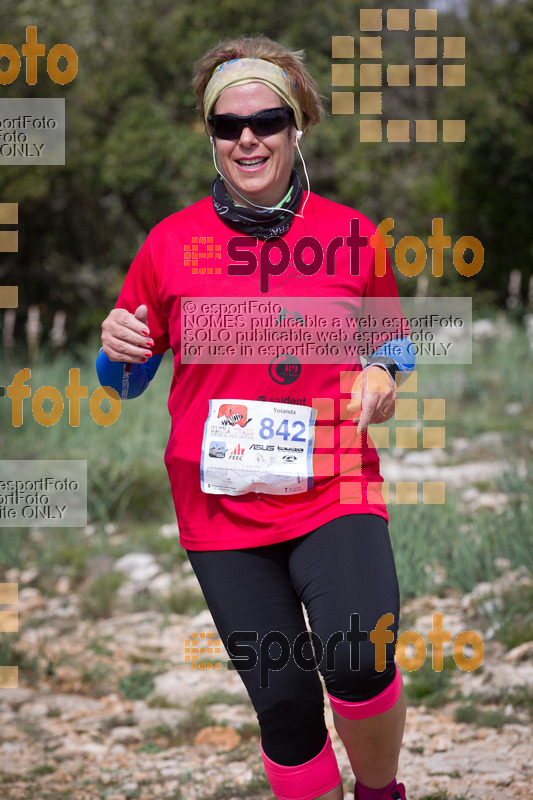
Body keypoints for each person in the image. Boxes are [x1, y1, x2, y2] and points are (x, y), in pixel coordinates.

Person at [98, 35, 415, 800]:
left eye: (268, 119)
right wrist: (115, 349)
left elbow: (394, 339)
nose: (248, 137)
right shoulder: (168, 245)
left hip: (331, 489)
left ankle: (379, 794)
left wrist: (381, 371)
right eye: (227, 125)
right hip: (221, 511)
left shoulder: (349, 233)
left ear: (295, 127)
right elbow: (124, 379)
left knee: (357, 655)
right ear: (210, 137)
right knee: (284, 708)